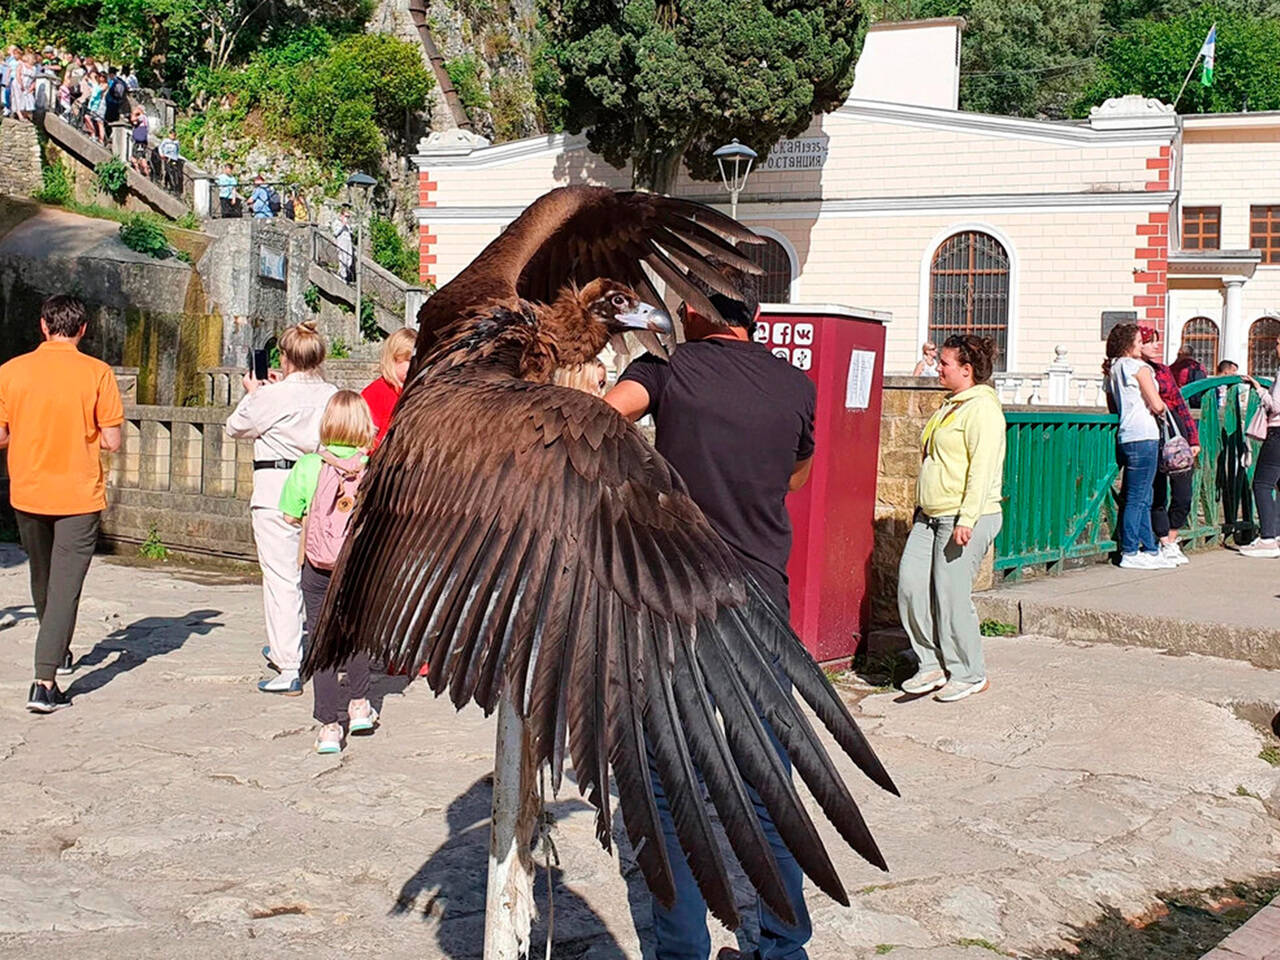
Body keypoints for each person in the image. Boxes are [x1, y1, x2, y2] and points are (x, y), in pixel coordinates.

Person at [605, 289, 817, 960]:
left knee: (668, 788)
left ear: (695, 307)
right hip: (760, 604)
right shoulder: (794, 382)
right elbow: (798, 472)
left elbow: (604, 420)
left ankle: (681, 950)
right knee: (765, 784)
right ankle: (782, 948)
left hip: (677, 605)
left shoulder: (670, 366)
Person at [0, 295, 123, 713]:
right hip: (77, 493)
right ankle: (44, 680)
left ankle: (57, 647)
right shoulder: (97, 373)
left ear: (43, 325)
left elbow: (0, 434)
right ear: (83, 329)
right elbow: (112, 440)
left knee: (43, 575)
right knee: (66, 586)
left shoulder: (10, 371)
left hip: (28, 489)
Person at [226, 321, 337, 695]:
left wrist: (252, 392)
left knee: (280, 576)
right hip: (321, 486)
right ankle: (308, 647)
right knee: (318, 574)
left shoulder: (270, 396)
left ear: (285, 358)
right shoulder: (332, 394)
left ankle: (288, 661)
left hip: (277, 486)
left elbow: (235, 427)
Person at [897, 336, 1006, 702]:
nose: (937, 368)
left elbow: (982, 470)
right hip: (930, 516)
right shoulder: (951, 406)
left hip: (963, 516)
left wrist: (967, 518)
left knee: (951, 596)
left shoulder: (982, 410)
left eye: (944, 363)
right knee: (911, 585)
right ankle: (930, 663)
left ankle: (968, 672)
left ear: (967, 370)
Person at [278, 390, 379, 753]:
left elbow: (289, 515)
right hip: (358, 568)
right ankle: (360, 705)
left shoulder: (308, 466)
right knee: (355, 635)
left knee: (322, 642)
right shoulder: (375, 467)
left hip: (318, 568)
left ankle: (329, 727)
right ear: (365, 425)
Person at [1104, 323, 1172, 570]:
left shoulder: (1114, 369)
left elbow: (1113, 405)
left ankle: (1150, 548)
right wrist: (1163, 407)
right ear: (1131, 344)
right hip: (1144, 433)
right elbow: (1156, 405)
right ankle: (1132, 550)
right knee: (1139, 497)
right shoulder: (1139, 368)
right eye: (1139, 340)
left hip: (1126, 434)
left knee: (1139, 494)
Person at [1138, 327, 1198, 566]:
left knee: (1183, 491)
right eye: (1149, 342)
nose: (1155, 346)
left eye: (1156, 341)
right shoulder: (1133, 369)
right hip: (1150, 431)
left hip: (1174, 430)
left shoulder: (1163, 370)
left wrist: (1193, 439)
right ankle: (1164, 539)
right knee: (1157, 491)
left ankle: (1172, 536)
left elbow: (1180, 404)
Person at [1240, 335, 1280, 558]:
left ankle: (1267, 539)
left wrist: (1258, 388)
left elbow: (1275, 405)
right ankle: (1276, 534)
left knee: (1262, 484)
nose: (1276, 347)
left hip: (1278, 432)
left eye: (1278, 343)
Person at [360, 328, 417, 448]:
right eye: (410, 361)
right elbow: (364, 439)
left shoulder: (419, 390)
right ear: (393, 359)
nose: (416, 366)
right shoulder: (373, 394)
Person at [333, 206, 354, 282]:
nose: (347, 218)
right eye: (346, 216)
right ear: (341, 215)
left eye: (348, 217)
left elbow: (350, 234)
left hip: (348, 244)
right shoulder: (337, 223)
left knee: (349, 260)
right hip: (342, 243)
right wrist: (342, 225)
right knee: (343, 259)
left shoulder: (348, 225)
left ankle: (343, 275)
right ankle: (342, 276)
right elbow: (335, 233)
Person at [157, 129, 181, 193]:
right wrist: (161, 154)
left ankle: (170, 185)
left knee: (173, 171)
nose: (173, 136)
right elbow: (160, 147)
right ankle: (170, 185)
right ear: (169, 135)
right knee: (168, 170)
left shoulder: (176, 142)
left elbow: (178, 150)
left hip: (174, 158)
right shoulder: (165, 141)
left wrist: (177, 157)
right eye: (172, 135)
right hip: (166, 157)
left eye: (174, 135)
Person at [129, 106, 150, 177]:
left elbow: (132, 119)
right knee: (133, 157)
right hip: (138, 142)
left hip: (140, 142)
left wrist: (134, 113)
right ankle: (138, 170)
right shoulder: (142, 119)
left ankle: (146, 173)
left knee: (141, 158)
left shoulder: (143, 117)